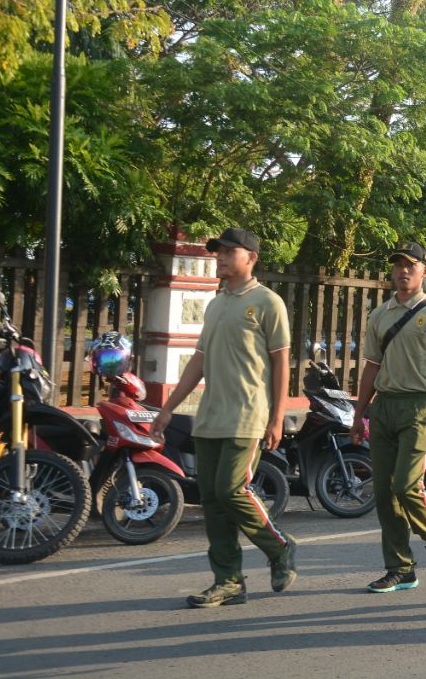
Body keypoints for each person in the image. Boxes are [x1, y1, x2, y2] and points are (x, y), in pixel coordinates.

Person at [151, 227, 296, 608]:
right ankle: (228, 581)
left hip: (249, 413)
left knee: (233, 489)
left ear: (251, 258)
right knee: (213, 500)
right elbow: (198, 362)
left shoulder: (268, 303)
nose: (221, 257)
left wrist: (277, 417)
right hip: (210, 415)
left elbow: (282, 362)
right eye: (218, 252)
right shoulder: (215, 304)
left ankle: (279, 548)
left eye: (230, 252)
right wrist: (167, 408)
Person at [351, 242, 426, 592]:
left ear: (425, 271)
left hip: (418, 407)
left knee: (405, 484)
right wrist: (359, 413)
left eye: (410, 265)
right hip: (384, 408)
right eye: (398, 265)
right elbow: (371, 367)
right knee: (383, 492)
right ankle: (400, 568)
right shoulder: (379, 315)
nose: (402, 271)